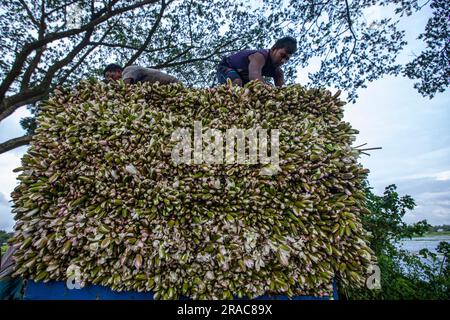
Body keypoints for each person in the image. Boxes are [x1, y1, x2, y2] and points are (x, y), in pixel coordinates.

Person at [216, 36, 297, 87]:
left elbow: (282, 91)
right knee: (237, 82)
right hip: (226, 67)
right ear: (274, 48)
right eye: (282, 55)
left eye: (287, 59)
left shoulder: (278, 73)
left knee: (250, 92)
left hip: (243, 77)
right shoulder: (260, 56)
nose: (283, 61)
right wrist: (267, 88)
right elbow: (254, 77)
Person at [103, 64, 180, 85]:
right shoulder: (136, 84)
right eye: (109, 80)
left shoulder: (128, 70)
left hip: (174, 84)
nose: (111, 80)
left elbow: (125, 87)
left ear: (118, 72)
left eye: (112, 76)